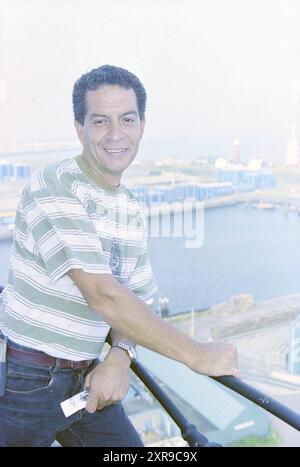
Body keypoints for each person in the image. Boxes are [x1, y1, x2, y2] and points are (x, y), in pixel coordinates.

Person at [0, 65, 239, 447]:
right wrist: (197, 355)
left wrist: (119, 358)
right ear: (79, 128)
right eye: (100, 121)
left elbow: (139, 296)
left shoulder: (127, 206)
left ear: (142, 124)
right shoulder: (54, 185)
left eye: (127, 119)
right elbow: (104, 294)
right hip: (23, 382)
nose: (116, 134)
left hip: (87, 381)